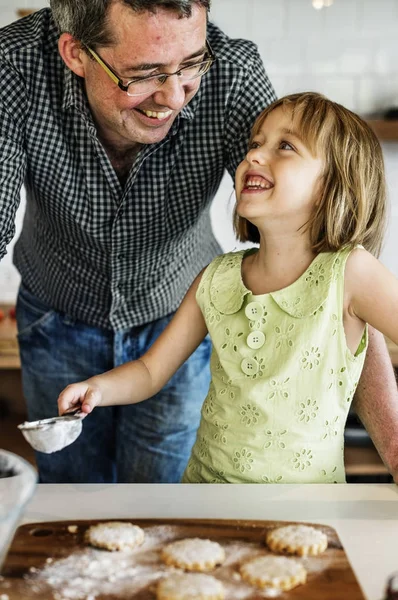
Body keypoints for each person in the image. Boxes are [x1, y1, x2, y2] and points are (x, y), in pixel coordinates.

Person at [0, 0, 278, 483]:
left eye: (191, 64)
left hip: (179, 323)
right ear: (75, 53)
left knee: (161, 502)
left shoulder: (233, 71)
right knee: (70, 502)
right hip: (55, 319)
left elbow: (297, 221)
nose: (173, 96)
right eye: (145, 74)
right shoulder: (13, 67)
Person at [58, 92, 398, 484]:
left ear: (331, 186)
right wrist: (96, 388)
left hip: (309, 509)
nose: (253, 156)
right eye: (255, 144)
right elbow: (151, 371)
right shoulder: (216, 277)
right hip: (206, 496)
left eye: (285, 146)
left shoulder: (352, 273)